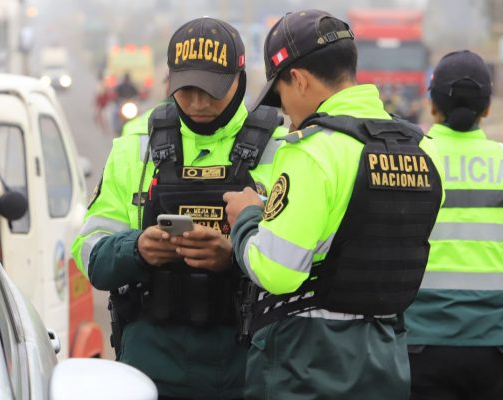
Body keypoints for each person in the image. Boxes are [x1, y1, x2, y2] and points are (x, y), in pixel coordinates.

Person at [223, 10, 444, 399]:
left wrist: (247, 219)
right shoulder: (421, 148)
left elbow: (277, 271)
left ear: (300, 80)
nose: (285, 111)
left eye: (282, 95)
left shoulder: (311, 152)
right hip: (385, 358)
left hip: (307, 365)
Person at [71, 17, 285, 399]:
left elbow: (303, 261)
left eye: (212, 91)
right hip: (150, 369)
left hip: (250, 369)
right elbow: (91, 255)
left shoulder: (283, 148)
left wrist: (236, 254)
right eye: (187, 90)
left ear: (240, 79)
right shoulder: (135, 145)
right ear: (169, 79)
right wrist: (136, 249)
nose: (199, 103)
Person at [404, 50, 503, 399]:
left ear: (432, 105)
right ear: (487, 108)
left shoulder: (408, 162)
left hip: (419, 347)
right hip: (495, 349)